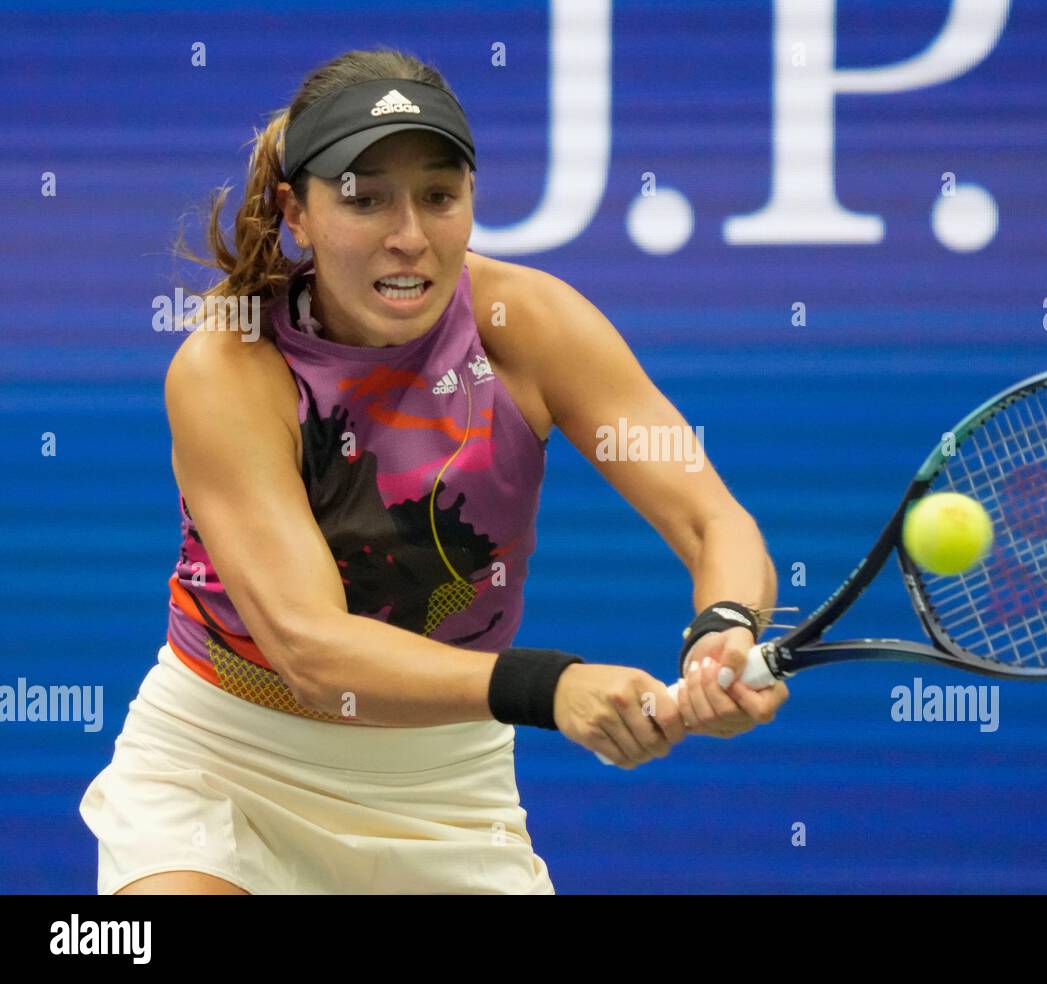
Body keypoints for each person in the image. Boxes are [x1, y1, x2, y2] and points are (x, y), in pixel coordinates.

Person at [78, 46, 788, 895]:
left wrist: (724, 626)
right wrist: (550, 685)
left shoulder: (529, 325)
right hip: (225, 763)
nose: (408, 236)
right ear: (294, 213)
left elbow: (713, 521)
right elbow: (313, 651)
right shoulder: (228, 366)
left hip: (444, 788)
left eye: (438, 197)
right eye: (363, 198)